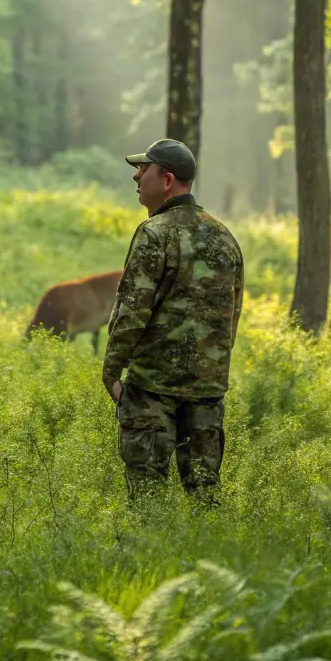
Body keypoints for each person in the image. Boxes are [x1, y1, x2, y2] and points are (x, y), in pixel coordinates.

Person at [101, 138, 243, 498]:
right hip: (206, 395)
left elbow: (132, 312)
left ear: (166, 180)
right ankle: (206, 556)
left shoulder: (154, 233)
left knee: (148, 498)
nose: (136, 177)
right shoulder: (225, 237)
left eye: (143, 169)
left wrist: (111, 371)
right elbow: (231, 318)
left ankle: (149, 557)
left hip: (152, 391)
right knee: (204, 497)